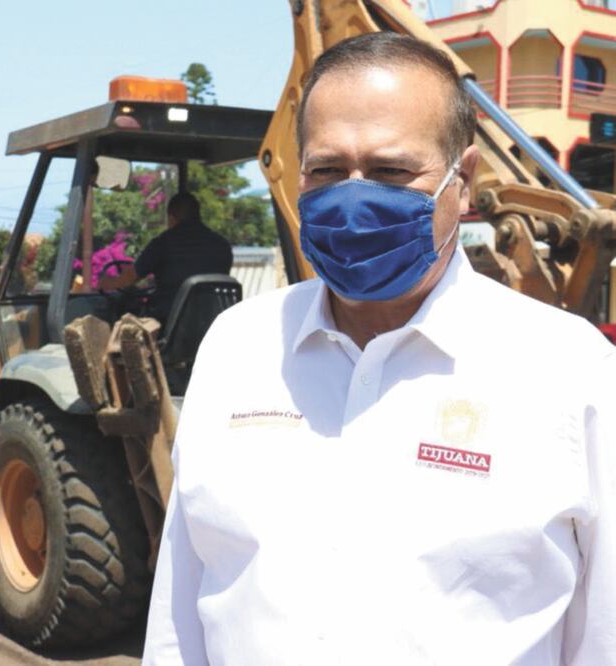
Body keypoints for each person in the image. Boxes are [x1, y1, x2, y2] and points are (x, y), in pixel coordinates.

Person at [143, 33, 616, 664]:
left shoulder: (570, 370)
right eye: (327, 170)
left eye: (392, 171)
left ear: (464, 181)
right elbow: (181, 609)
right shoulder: (237, 346)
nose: (354, 199)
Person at [98, 191, 232, 324]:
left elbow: (127, 280)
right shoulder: (222, 246)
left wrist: (104, 283)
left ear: (171, 217)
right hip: (214, 325)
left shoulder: (163, 243)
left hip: (171, 328)